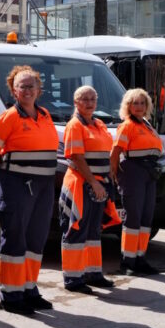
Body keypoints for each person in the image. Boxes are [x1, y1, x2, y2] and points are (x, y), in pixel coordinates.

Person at [0, 66, 59, 315]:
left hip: (44, 188)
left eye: (31, 85)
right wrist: (12, 171)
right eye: (21, 86)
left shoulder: (46, 114)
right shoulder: (9, 117)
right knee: (15, 239)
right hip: (17, 186)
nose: (27, 90)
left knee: (36, 240)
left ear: (39, 89)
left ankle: (29, 288)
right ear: (14, 91)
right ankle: (11, 294)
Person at [59, 86, 118, 292]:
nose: (89, 102)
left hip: (99, 184)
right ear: (76, 103)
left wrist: (107, 181)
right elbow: (76, 157)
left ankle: (93, 273)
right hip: (81, 184)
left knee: (93, 231)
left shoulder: (99, 123)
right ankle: (73, 279)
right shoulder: (75, 125)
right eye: (84, 99)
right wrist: (93, 182)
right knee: (76, 229)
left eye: (93, 98)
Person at [111, 88, 162, 275]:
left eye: (142, 103)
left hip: (149, 174)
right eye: (135, 103)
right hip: (133, 173)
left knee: (146, 217)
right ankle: (128, 261)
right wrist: (115, 177)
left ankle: (140, 257)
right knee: (133, 218)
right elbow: (115, 153)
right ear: (128, 106)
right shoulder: (127, 125)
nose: (139, 107)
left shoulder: (147, 124)